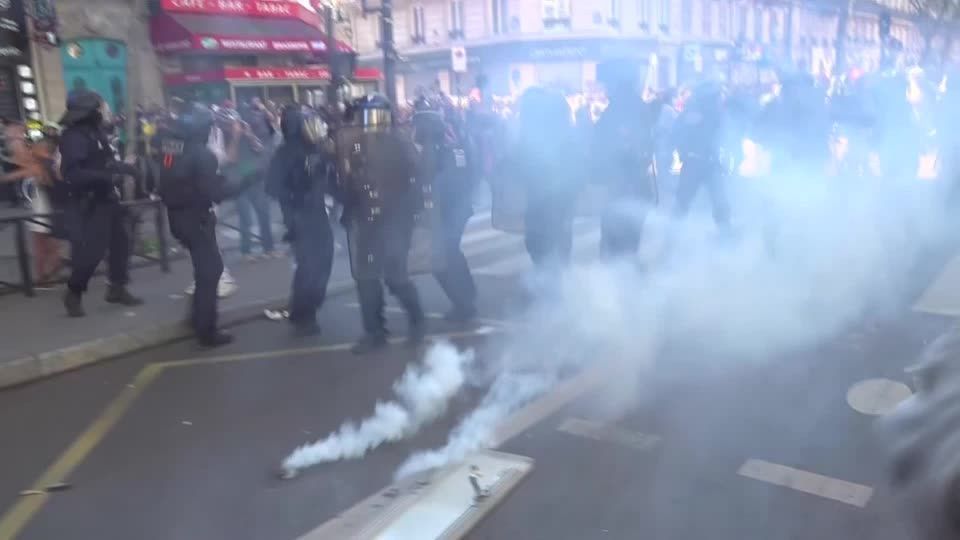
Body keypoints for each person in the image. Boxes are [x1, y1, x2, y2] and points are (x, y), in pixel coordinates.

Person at [155, 105, 257, 347]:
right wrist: (245, 180)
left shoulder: (172, 148)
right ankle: (206, 330)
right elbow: (216, 192)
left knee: (205, 269)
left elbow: (173, 177)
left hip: (177, 217)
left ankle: (196, 318)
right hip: (196, 218)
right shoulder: (203, 155)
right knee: (211, 270)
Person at [336, 95, 425, 354]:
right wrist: (348, 205)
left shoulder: (400, 143)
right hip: (367, 223)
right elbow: (353, 179)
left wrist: (409, 214)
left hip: (394, 221)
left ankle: (418, 321)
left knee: (396, 277)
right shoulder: (358, 144)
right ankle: (374, 332)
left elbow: (417, 179)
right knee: (366, 278)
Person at [59, 90, 142, 317]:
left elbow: (106, 162)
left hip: (107, 198)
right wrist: (108, 178)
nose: (104, 111)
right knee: (92, 253)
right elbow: (72, 174)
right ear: (88, 111)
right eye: (100, 107)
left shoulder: (95, 132)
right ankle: (74, 292)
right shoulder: (74, 137)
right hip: (89, 203)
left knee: (121, 244)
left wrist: (126, 169)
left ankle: (117, 288)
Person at [265, 105, 335, 336]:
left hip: (316, 214)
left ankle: (303, 310)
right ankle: (305, 314)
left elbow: (328, 177)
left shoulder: (313, 148)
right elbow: (272, 187)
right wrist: (298, 193)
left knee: (318, 263)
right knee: (310, 267)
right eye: (307, 123)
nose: (312, 126)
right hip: (301, 218)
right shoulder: (286, 154)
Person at [413, 100, 477, 322]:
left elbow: (433, 182)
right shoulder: (451, 146)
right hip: (456, 209)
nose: (414, 132)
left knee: (442, 257)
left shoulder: (437, 149)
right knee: (450, 253)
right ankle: (467, 296)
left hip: (448, 211)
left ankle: (464, 302)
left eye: (417, 127)